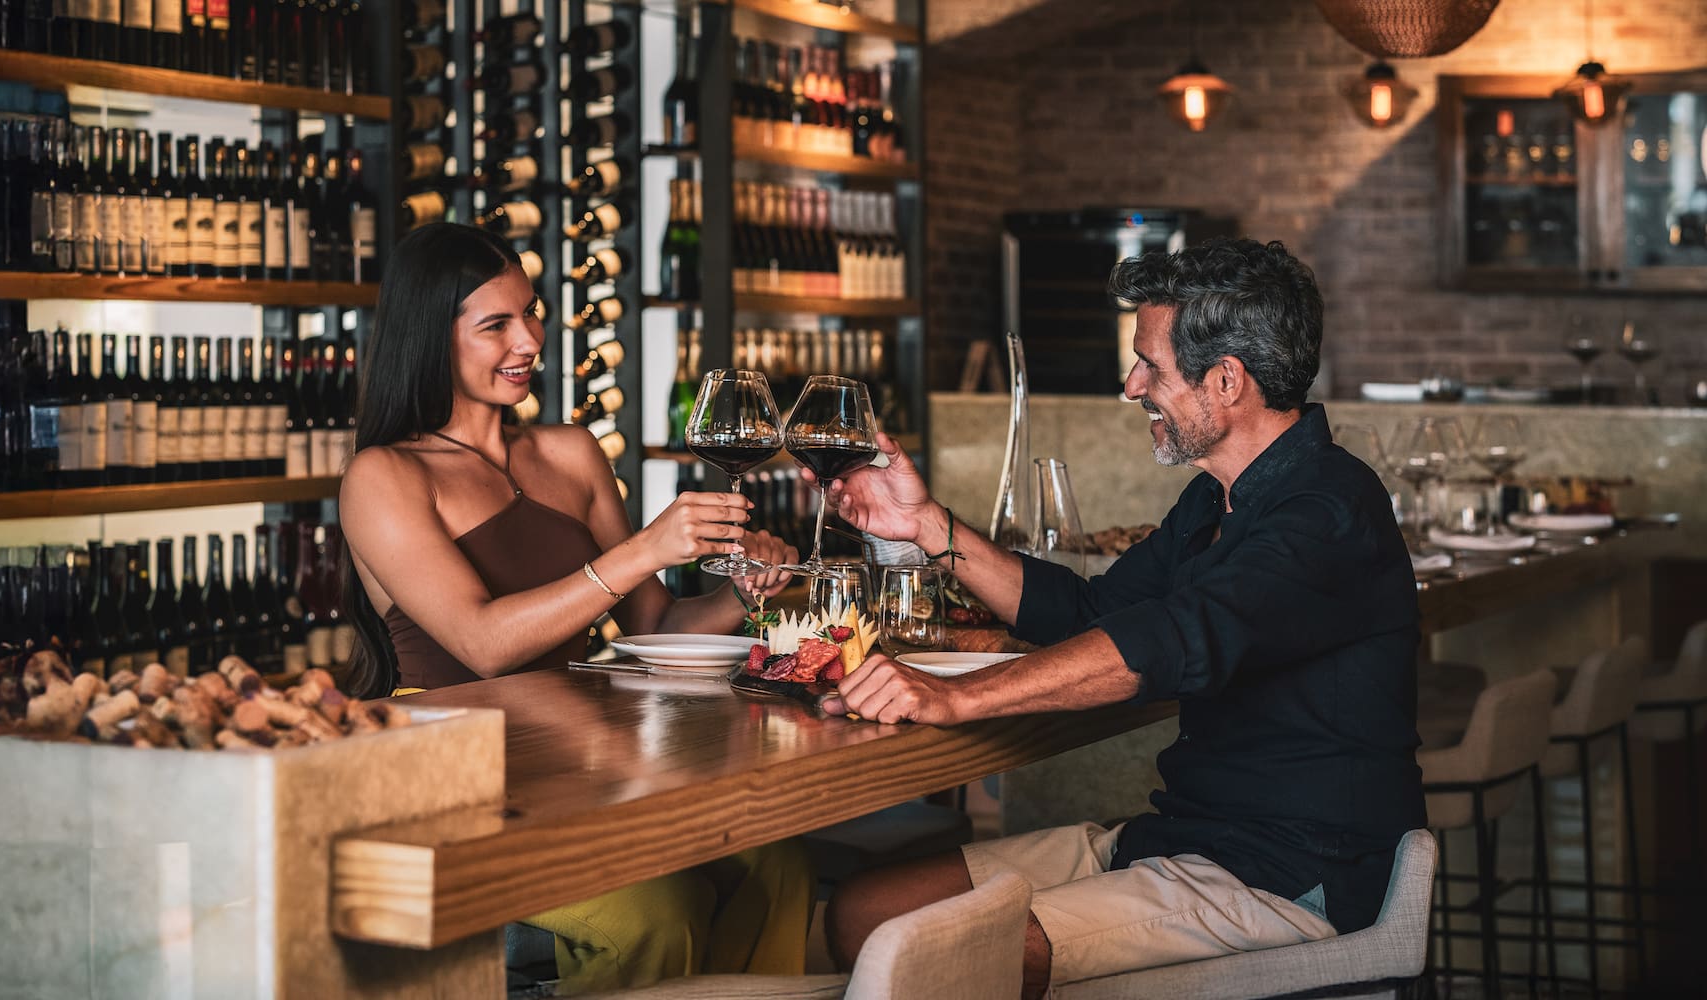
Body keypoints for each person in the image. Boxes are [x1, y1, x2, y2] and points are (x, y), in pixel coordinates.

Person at [815, 238, 1424, 997]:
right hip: (1178, 841)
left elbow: (1171, 643)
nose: (1130, 384)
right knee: (863, 912)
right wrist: (929, 527)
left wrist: (955, 695)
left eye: (1151, 367)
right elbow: (1086, 611)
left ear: (1226, 381)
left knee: (952, 957)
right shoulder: (1212, 500)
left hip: (1293, 871)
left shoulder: (1330, 508)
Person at [336, 222, 811, 993]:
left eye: (532, 314)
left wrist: (743, 594)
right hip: (459, 768)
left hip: (581, 745)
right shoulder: (383, 476)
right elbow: (482, 643)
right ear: (431, 337)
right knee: (657, 910)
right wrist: (643, 550)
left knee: (781, 864)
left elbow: (654, 628)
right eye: (496, 325)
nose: (530, 340)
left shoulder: (569, 451)